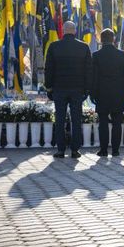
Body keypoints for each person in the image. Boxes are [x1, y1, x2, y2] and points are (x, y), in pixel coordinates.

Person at [44, 21, 92, 159]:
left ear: (63, 31)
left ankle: (60, 149)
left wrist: (49, 87)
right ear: (75, 31)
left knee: (60, 119)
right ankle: (75, 150)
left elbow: (49, 69)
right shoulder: (84, 47)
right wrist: (87, 89)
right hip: (77, 89)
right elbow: (89, 70)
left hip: (59, 88)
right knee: (76, 120)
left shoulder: (54, 46)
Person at [91, 28, 124, 157]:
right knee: (117, 123)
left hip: (102, 93)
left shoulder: (96, 55)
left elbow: (94, 76)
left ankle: (103, 150)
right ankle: (115, 150)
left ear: (101, 40)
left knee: (102, 122)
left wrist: (93, 93)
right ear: (113, 39)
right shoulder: (122, 55)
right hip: (118, 93)